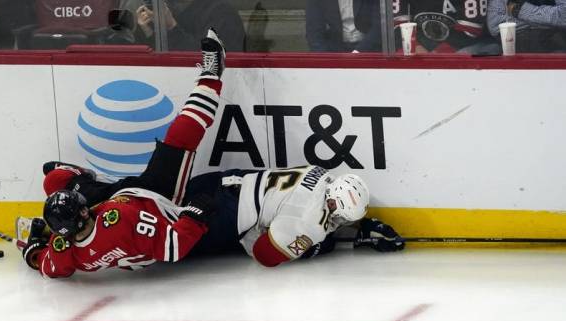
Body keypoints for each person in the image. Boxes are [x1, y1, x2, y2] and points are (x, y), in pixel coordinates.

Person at [22, 28, 227, 278]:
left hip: (118, 201)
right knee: (182, 134)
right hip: (154, 196)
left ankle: (88, 180)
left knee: (52, 179)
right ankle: (211, 75)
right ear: (84, 211)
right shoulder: (118, 219)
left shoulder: (71, 254)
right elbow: (172, 247)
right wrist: (194, 217)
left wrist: (33, 252)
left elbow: (48, 266)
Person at [40, 162, 406, 269]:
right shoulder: (309, 221)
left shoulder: (323, 173)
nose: (334, 218)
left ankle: (74, 183)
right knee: (169, 249)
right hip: (224, 214)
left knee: (150, 191)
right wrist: (334, 239)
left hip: (222, 179)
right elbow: (265, 255)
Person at [393, 0, 500, 54]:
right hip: (420, 44)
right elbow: (396, 26)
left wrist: (436, 56)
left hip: (465, 47)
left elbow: (471, 31)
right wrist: (416, 47)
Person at [133, 0, 245, 51]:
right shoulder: (171, 8)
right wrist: (148, 32)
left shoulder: (222, 13)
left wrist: (171, 26)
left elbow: (205, 61)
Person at [488, 0, 566, 52]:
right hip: (514, 38)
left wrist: (520, 10)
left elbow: (564, 16)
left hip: (552, 39)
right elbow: (495, 24)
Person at [305, 0, 382, 52]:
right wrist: (326, 62)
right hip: (334, 51)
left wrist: (358, 53)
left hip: (368, 49)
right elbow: (314, 33)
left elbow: (379, 26)